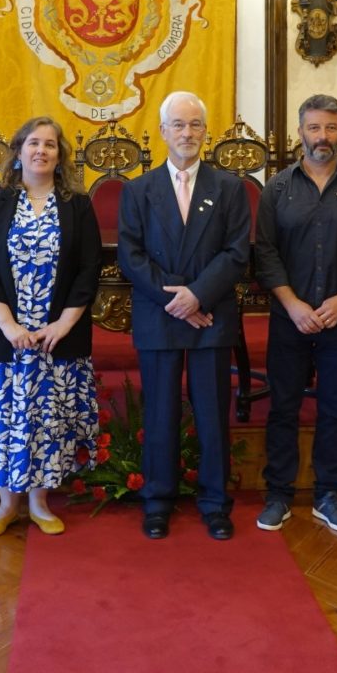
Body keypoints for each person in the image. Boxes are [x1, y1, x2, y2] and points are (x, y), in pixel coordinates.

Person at [118, 91, 251, 541]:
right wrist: (178, 301)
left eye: (195, 124)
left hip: (211, 317)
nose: (187, 133)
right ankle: (157, 501)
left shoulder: (229, 188)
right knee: (160, 414)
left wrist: (198, 296)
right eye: (178, 124)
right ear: (162, 131)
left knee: (212, 414)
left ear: (205, 132)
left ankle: (215, 503)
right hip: (160, 318)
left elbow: (236, 253)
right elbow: (131, 256)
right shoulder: (138, 190)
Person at [0, 116, 101, 537]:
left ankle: (41, 504)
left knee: (49, 420)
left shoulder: (78, 205)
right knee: (4, 419)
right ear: (19, 151)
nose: (41, 150)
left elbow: (89, 269)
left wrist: (63, 324)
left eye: (50, 144)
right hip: (4, 336)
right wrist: (8, 325)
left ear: (61, 156)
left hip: (57, 337)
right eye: (33, 143)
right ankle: (5, 505)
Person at [254, 95, 337, 534]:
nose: (322, 137)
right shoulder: (276, 189)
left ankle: (328, 494)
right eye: (314, 128)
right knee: (283, 407)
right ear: (300, 132)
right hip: (288, 319)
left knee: (334, 408)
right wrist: (292, 304)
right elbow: (265, 253)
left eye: (330, 127)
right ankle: (279, 494)